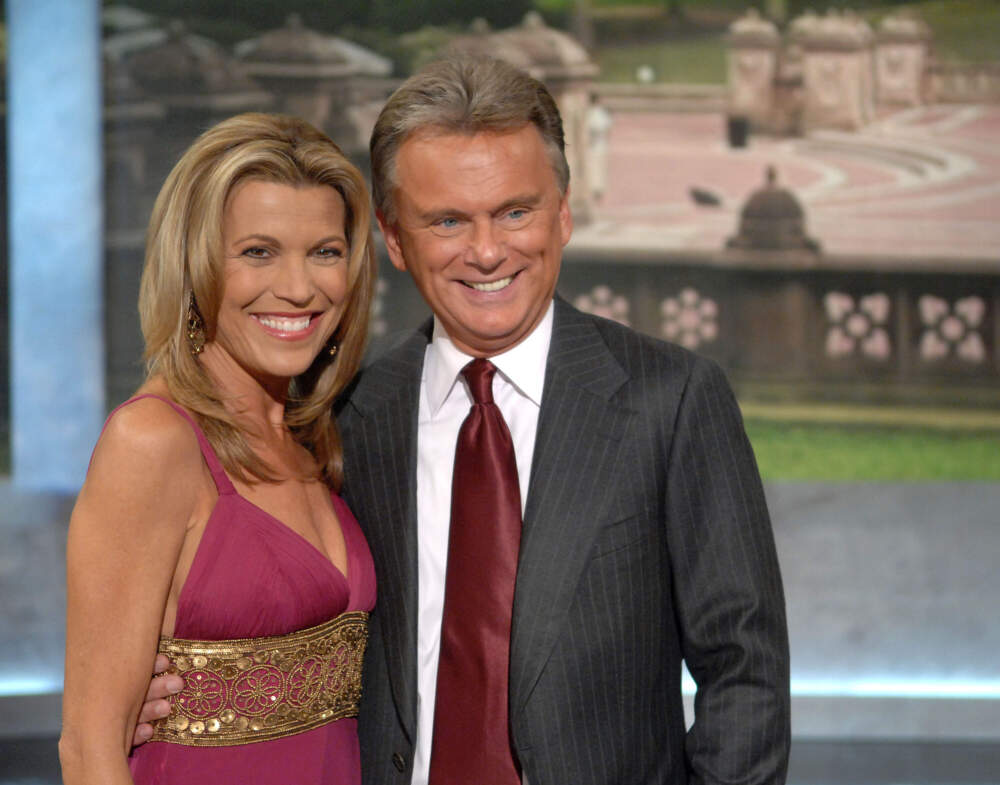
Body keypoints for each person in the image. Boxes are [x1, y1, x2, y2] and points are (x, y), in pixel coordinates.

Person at [139, 56, 790, 783]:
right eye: (447, 219)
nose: (487, 251)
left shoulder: (669, 399)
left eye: (516, 211)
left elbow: (746, 671)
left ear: (564, 212)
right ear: (393, 239)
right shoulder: (345, 413)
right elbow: (291, 620)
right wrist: (164, 697)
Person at [60, 113, 378, 785]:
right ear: (195, 262)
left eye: (325, 250)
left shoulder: (312, 431)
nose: (298, 287)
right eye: (258, 252)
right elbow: (89, 748)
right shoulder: (152, 443)